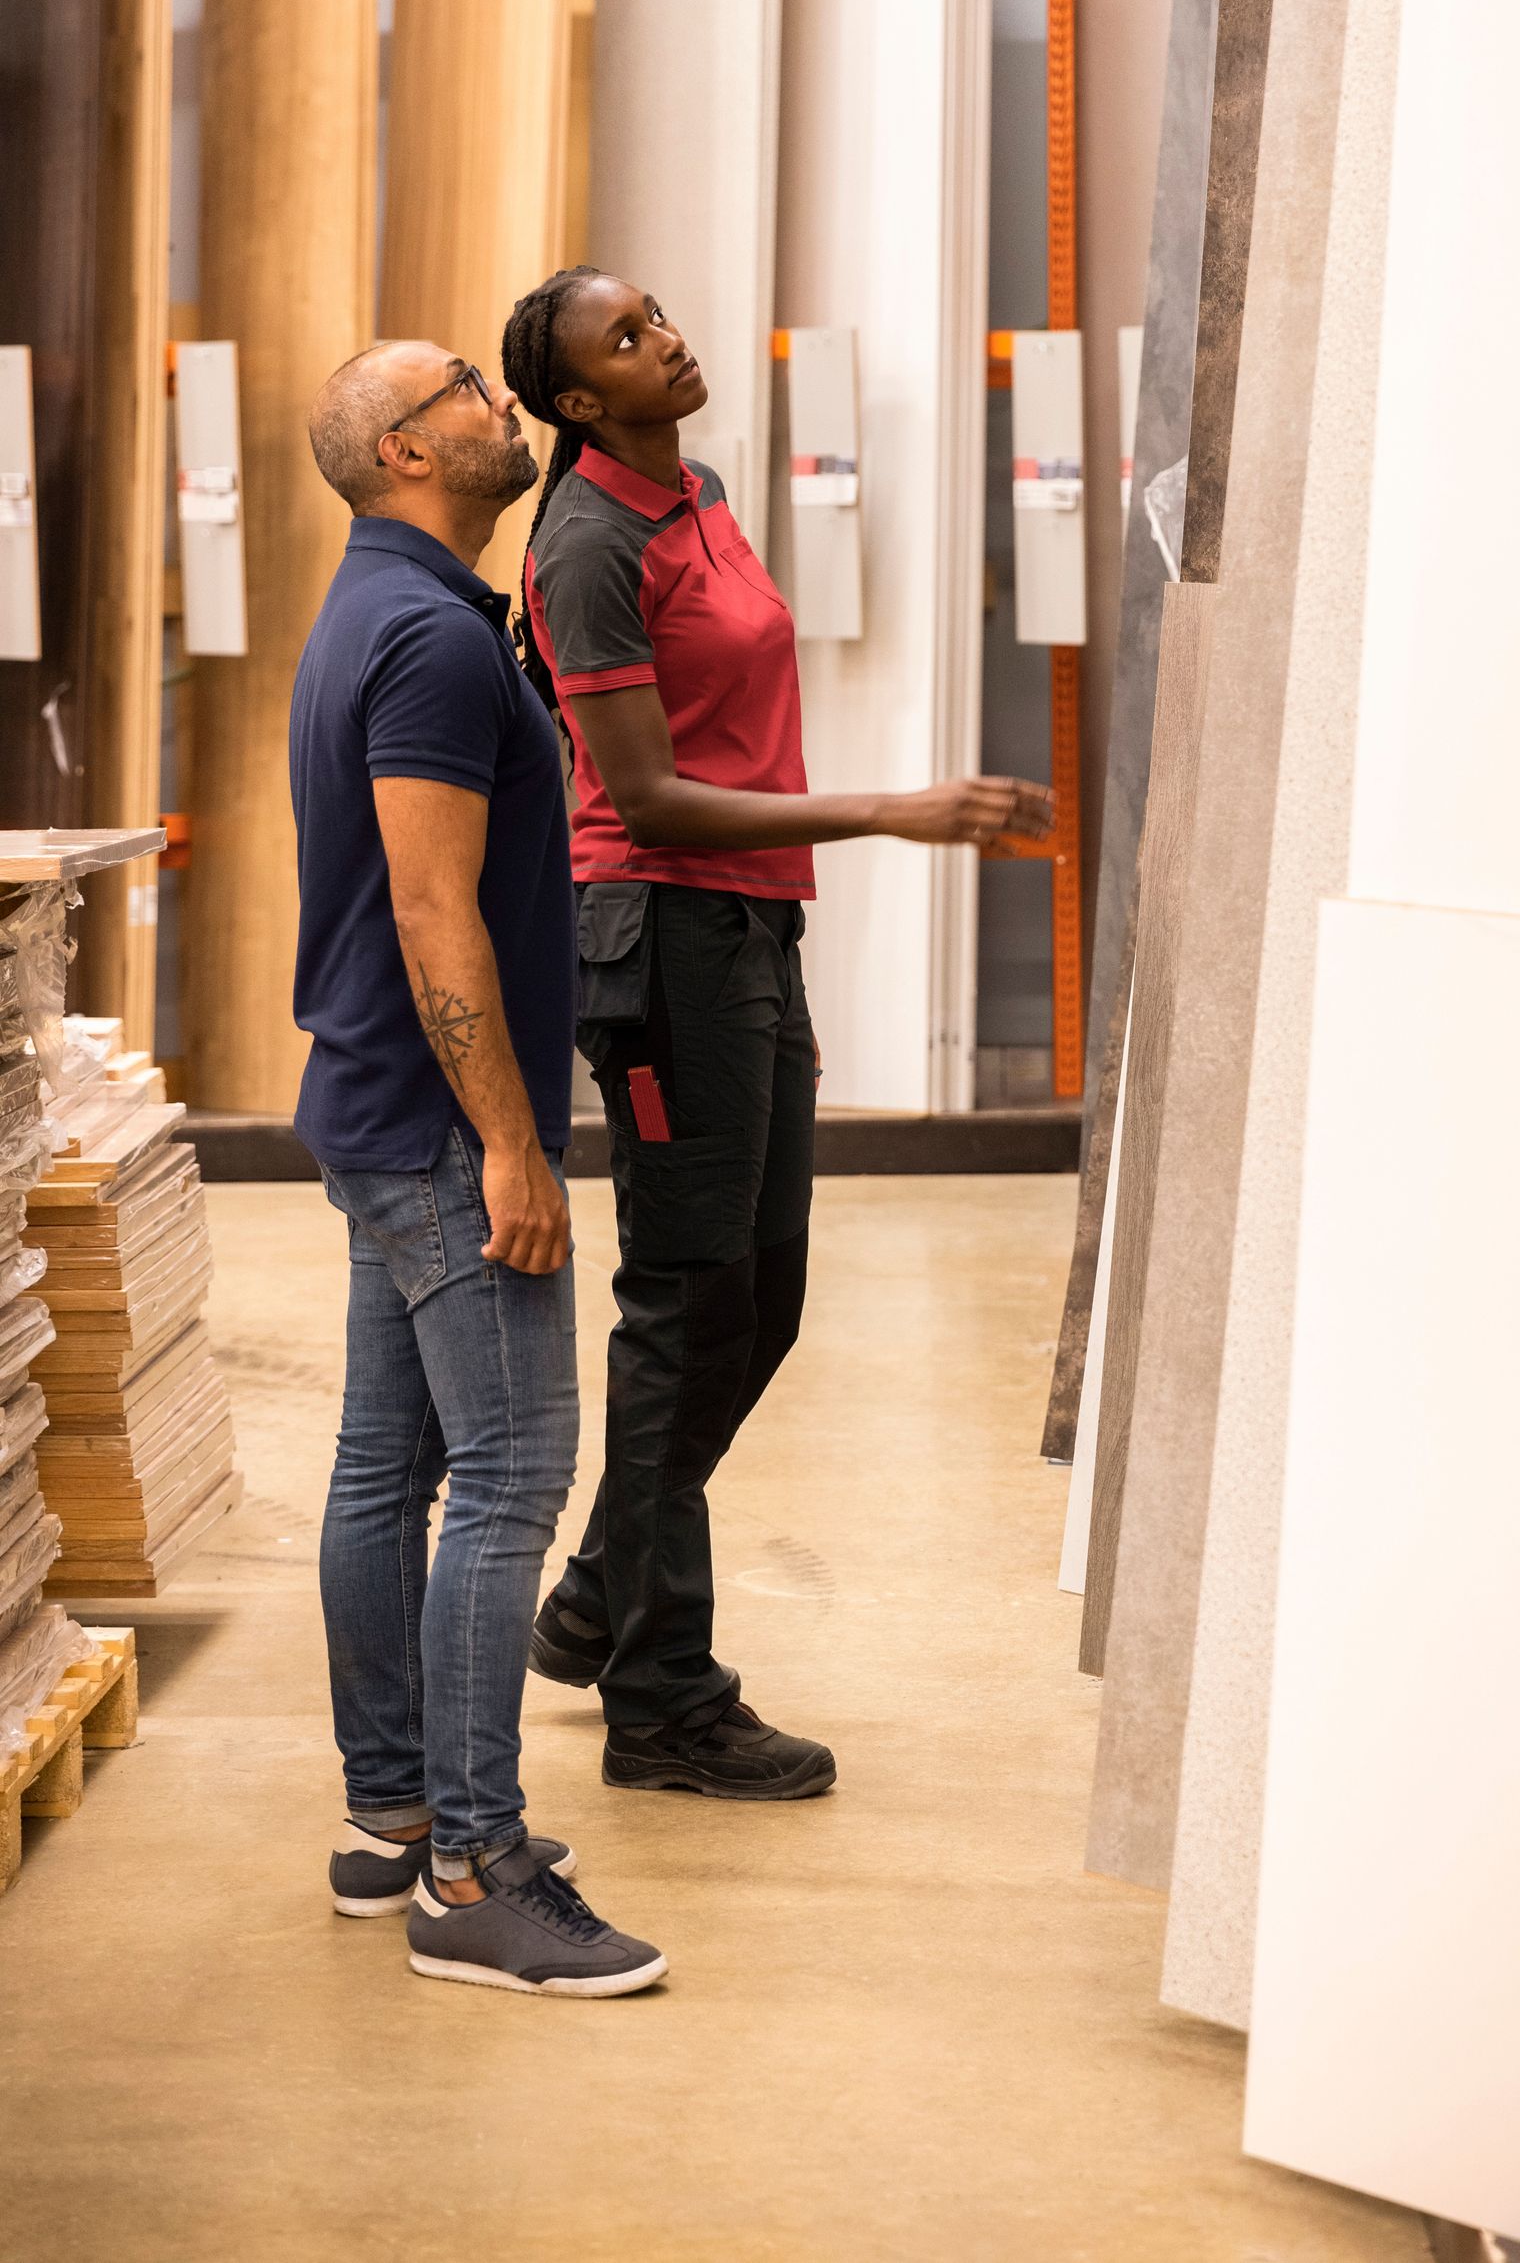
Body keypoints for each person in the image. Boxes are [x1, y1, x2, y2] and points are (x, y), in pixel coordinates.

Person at [499, 268, 1052, 1799]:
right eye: (624, 338)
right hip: (662, 942)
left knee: (768, 1291)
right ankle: (662, 1696)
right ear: (577, 403)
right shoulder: (588, 546)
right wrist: (898, 808)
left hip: (748, 930)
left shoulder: (698, 495)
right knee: (685, 1306)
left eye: (657, 312)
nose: (663, 336)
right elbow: (651, 793)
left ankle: (605, 1589)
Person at [291, 338, 665, 1998]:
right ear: (403, 448)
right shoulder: (433, 638)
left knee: (390, 1465)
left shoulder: (386, 608)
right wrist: (512, 1139)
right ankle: (471, 1863)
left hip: (381, 1103)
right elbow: (437, 911)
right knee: (513, 1470)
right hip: (446, 1125)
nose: (491, 394)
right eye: (461, 383)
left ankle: (393, 1816)